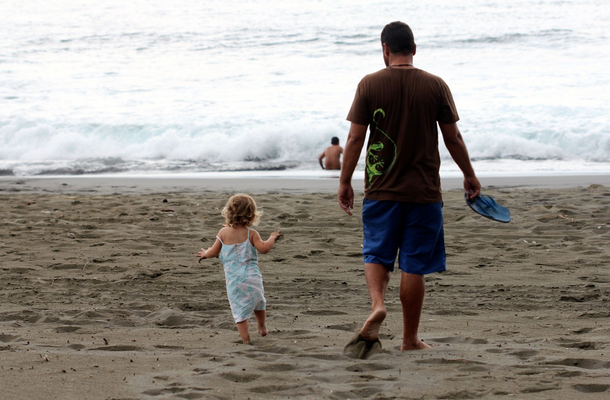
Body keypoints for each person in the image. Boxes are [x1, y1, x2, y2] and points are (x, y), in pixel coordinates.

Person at [338, 21, 481, 357]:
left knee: (376, 253)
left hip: (380, 190)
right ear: (414, 49)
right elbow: (452, 137)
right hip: (424, 192)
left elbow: (356, 138)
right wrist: (469, 175)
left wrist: (345, 181)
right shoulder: (435, 85)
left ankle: (377, 304)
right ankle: (409, 339)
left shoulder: (369, 84)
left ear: (384, 49)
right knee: (414, 265)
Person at [197, 194, 283, 344]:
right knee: (259, 302)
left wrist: (205, 253)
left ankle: (246, 339)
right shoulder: (252, 234)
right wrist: (272, 238)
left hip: (235, 281)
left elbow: (214, 252)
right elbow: (264, 249)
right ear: (252, 215)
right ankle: (262, 327)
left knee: (239, 311)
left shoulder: (223, 233)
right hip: (252, 278)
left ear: (228, 212)